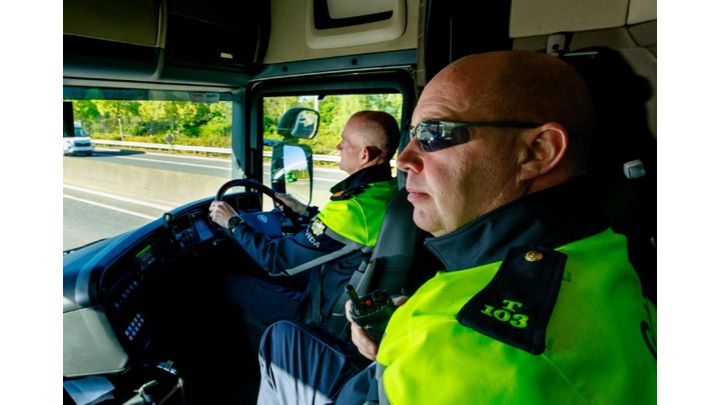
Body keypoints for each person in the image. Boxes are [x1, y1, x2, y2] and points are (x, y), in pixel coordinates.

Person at [256, 51, 657, 404]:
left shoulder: (469, 345)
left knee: (280, 340)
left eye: (433, 134)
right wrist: (402, 341)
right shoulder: (606, 251)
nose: (403, 159)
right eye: (413, 134)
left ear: (538, 152)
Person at [208, 110, 400, 330]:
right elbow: (338, 235)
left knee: (223, 281)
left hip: (319, 312)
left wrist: (232, 223)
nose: (338, 146)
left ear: (364, 155)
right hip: (333, 286)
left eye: (344, 142)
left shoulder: (352, 209)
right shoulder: (384, 191)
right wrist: (303, 211)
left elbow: (275, 261)